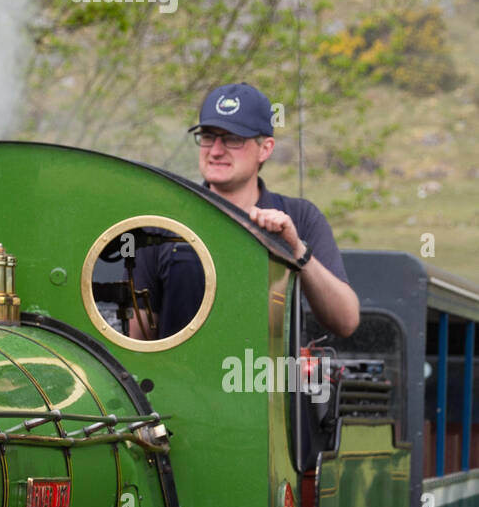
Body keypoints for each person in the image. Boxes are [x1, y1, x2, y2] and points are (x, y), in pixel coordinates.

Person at [129, 83, 361, 340]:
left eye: (232, 139)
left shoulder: (301, 217)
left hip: (268, 378)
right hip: (177, 380)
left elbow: (346, 321)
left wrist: (296, 251)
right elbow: (138, 342)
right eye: (207, 136)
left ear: (266, 148)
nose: (216, 150)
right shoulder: (164, 221)